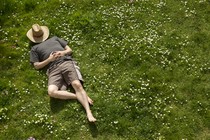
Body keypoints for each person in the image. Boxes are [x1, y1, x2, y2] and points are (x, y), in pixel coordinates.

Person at [26, 24, 96, 122]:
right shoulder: (34, 49)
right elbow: (36, 66)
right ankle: (79, 96)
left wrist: (62, 53)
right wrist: (49, 59)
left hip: (66, 62)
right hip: (52, 69)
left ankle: (89, 113)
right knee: (51, 92)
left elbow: (70, 50)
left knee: (77, 84)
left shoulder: (55, 38)